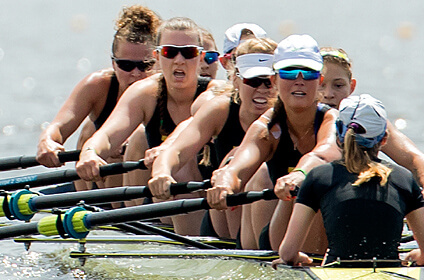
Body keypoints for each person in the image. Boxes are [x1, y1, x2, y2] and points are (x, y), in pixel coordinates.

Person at [75, 17, 222, 235]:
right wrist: (90, 152)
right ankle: (147, 234)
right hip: (166, 200)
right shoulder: (145, 92)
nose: (179, 60)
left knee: (180, 168)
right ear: (157, 57)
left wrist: (165, 150)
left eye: (188, 52)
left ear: (201, 58)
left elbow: (188, 127)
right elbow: (107, 134)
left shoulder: (216, 93)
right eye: (170, 52)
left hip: (214, 203)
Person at [273, 94, 424, 268]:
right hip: (391, 269)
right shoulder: (403, 178)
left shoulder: (319, 177)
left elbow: (287, 253)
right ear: (383, 139)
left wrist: (301, 259)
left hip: (336, 269)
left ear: (339, 135)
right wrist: (417, 256)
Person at [206, 35, 341, 248]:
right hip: (278, 233)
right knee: (257, 178)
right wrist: (226, 179)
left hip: (324, 231)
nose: (299, 80)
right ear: (274, 80)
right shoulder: (266, 127)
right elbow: (240, 164)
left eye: (308, 73)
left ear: (320, 81)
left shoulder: (332, 120)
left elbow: (324, 153)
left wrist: (299, 173)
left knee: (310, 185)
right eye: (288, 72)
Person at [148, 37, 278, 240]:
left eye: (269, 81)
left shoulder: (288, 114)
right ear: (235, 79)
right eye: (252, 80)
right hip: (222, 214)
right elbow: (177, 150)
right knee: (230, 163)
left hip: (271, 204)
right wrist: (162, 173)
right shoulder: (220, 109)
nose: (262, 89)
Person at [318, 47, 424, 214]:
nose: (328, 94)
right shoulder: (296, 115)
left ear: (352, 87)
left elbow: (417, 160)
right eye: (321, 85)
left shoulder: (368, 120)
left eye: (338, 85)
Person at [36, 5, 161, 168]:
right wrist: (47, 141)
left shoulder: (171, 90)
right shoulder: (98, 86)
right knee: (89, 132)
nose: (136, 73)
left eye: (145, 65)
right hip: (101, 180)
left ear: (159, 61)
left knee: (138, 139)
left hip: (151, 176)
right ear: (114, 64)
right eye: (126, 65)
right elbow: (58, 128)